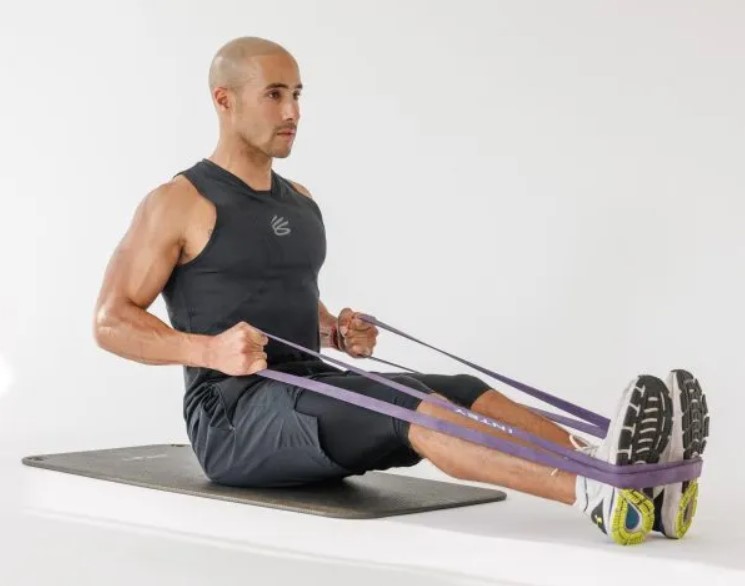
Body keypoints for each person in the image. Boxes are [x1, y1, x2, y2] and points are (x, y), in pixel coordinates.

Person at [92, 36, 708, 545]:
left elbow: (279, 293)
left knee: (463, 391)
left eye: (299, 95)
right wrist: (207, 352)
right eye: (274, 95)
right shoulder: (178, 202)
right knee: (417, 411)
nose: (292, 113)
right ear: (224, 101)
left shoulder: (300, 202)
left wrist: (333, 330)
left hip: (312, 389)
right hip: (233, 419)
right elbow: (110, 320)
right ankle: (591, 492)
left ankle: (624, 468)